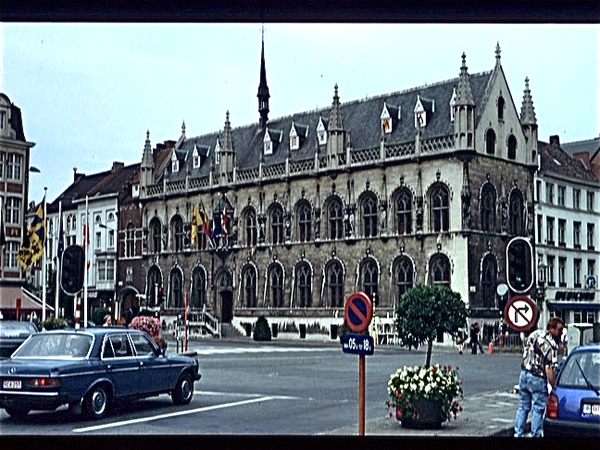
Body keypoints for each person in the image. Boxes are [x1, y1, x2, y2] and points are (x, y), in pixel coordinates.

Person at [514, 317, 565, 438]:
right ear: (551, 328)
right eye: (560, 329)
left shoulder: (535, 334)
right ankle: (536, 435)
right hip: (537, 377)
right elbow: (549, 369)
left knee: (523, 406)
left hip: (524, 373)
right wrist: (554, 387)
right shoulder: (551, 345)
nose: (561, 332)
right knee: (538, 408)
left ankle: (518, 434)